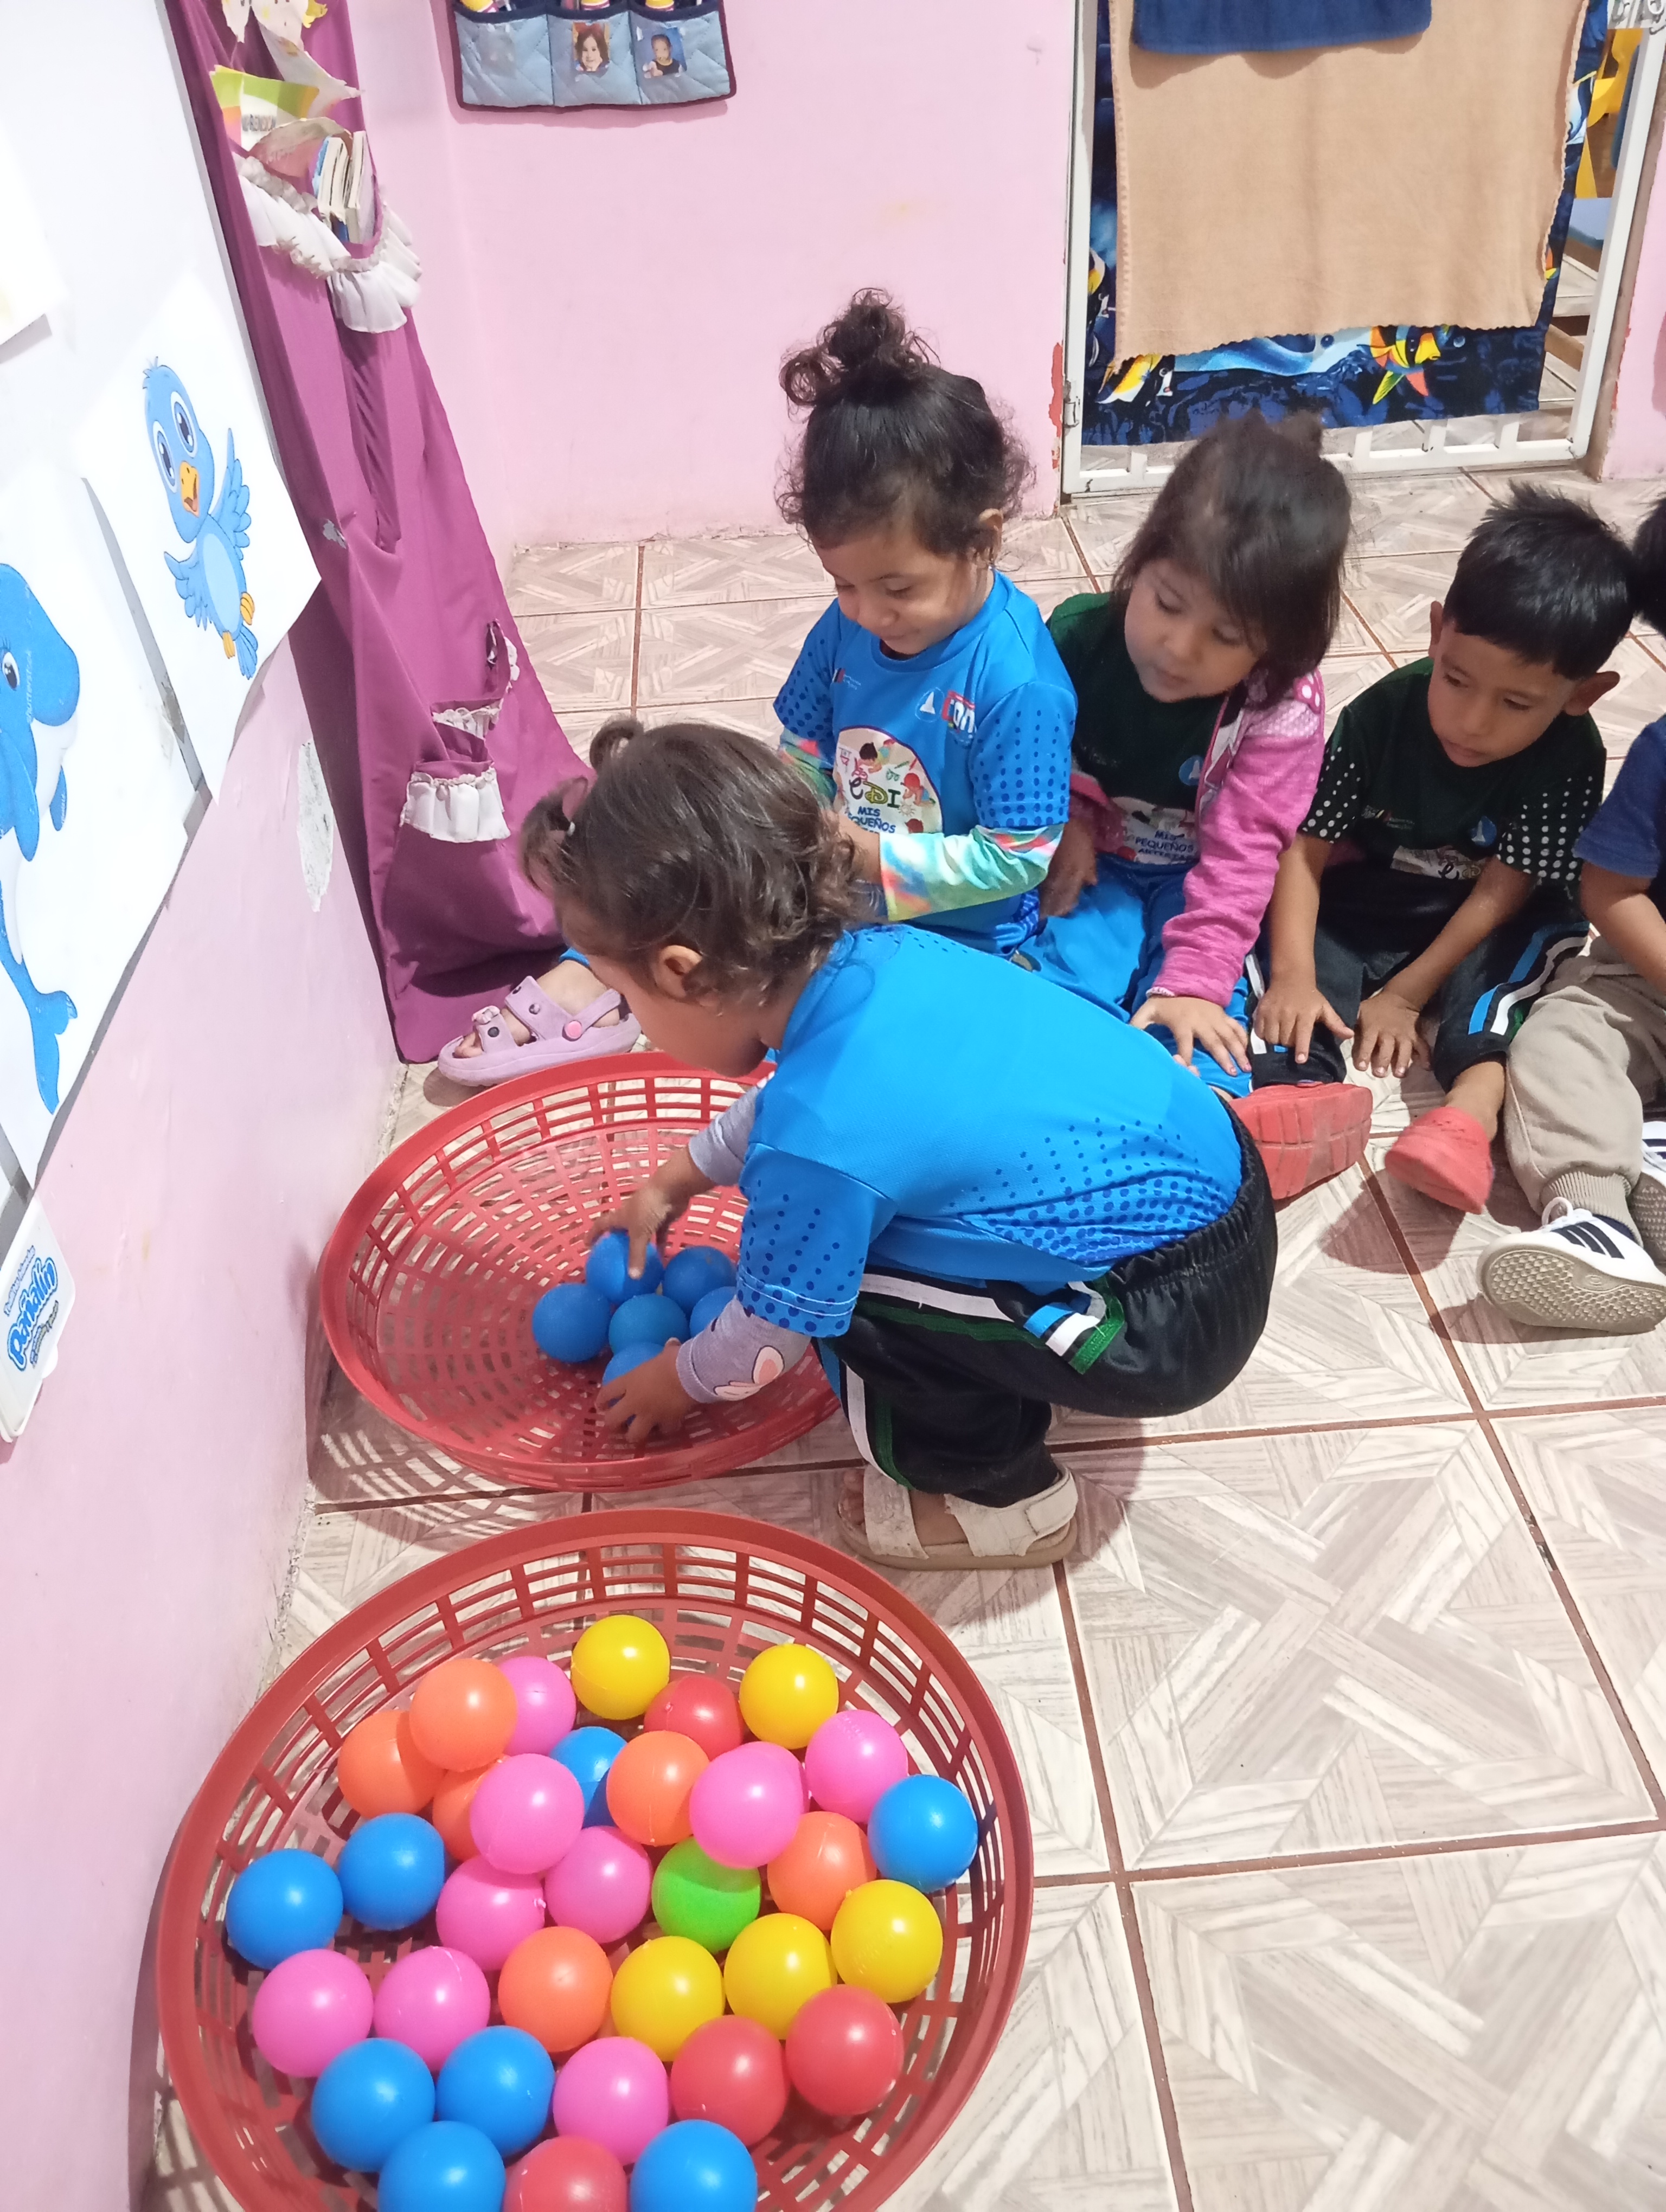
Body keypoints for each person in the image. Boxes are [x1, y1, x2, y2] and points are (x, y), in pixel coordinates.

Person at [525, 716, 1275, 1571]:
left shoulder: (821, 1137)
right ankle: (1026, 1345)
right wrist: (675, 1181)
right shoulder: (884, 955)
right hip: (1223, 1186)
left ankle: (1005, 1504)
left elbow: (769, 1334)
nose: (636, 1022)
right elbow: (795, 1104)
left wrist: (679, 1376)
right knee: (867, 1222)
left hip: (1170, 1322)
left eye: (627, 1000)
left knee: (844, 1294)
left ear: (681, 973)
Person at [1244, 486, 1652, 1210]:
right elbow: (1304, 852)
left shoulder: (1572, 756)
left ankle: (1468, 1116)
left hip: (1496, 915)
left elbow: (1502, 892)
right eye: (1456, 680)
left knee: (1500, 998)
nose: (1472, 720)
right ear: (1436, 633)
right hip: (1373, 896)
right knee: (1283, 953)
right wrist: (1296, 975)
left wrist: (1407, 995)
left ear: (1583, 694)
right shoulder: (1382, 712)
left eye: (1516, 703)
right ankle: (1300, 1093)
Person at [1029, 412, 1350, 1157]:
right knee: (1061, 980)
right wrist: (1069, 819)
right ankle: (1057, 1124)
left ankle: (1213, 1139)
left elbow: (1244, 859)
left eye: (1226, 637)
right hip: (1097, 865)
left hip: (1204, 882)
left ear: (1275, 647)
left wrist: (1194, 986)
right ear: (1139, 562)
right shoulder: (1075, 638)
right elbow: (1035, 754)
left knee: (1199, 1016)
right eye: (1167, 604)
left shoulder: (1281, 705)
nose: (1178, 648)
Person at [773, 292, 1075, 961]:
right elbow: (805, 748)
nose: (867, 613)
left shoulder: (1018, 685)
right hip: (840, 906)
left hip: (966, 940)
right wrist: (802, 826)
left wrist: (868, 854)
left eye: (899, 589)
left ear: (982, 540)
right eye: (843, 583)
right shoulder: (846, 625)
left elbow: (1018, 856)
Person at [1482, 653, 1666, 1332]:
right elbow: (1611, 892)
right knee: (1557, 1040)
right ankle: (1597, 1221)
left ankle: (1653, 1148)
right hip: (1646, 979)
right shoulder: (1663, 751)